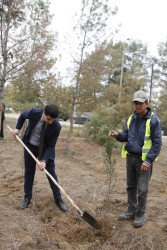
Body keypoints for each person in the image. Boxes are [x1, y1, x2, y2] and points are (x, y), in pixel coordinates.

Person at [109, 90, 162, 227]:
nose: (138, 106)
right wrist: (118, 136)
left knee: (142, 190)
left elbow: (157, 144)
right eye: (136, 103)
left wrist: (148, 160)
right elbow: (127, 136)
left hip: (143, 161)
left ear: (147, 103)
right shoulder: (131, 118)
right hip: (130, 158)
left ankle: (140, 214)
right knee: (131, 187)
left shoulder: (153, 120)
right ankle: (131, 211)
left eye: (140, 103)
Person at [11, 104, 67, 212]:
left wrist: (44, 160)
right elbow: (23, 115)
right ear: (44, 113)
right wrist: (17, 128)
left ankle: (58, 199)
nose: (50, 122)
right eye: (48, 119)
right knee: (29, 173)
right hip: (30, 146)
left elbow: (51, 146)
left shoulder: (57, 126)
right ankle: (27, 198)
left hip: (45, 150)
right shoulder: (33, 112)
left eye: (53, 120)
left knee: (51, 175)